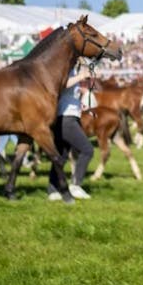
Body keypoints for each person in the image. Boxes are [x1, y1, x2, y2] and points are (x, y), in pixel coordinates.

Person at [48, 66, 97, 201]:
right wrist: (81, 76)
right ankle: (75, 185)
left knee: (61, 155)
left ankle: (52, 189)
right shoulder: (67, 70)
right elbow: (62, 84)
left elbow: (70, 95)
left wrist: (80, 103)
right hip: (65, 118)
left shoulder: (75, 72)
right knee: (87, 150)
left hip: (72, 116)